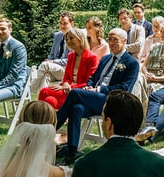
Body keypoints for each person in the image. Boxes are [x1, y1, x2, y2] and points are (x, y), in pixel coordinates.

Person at [55, 28, 140, 165]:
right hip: (94, 98)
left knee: (75, 93)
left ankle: (52, 127)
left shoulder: (132, 63)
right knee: (75, 108)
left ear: (125, 41)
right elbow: (93, 77)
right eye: (110, 39)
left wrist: (99, 89)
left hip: (113, 101)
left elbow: (125, 88)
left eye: (115, 40)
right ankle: (72, 150)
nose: (111, 43)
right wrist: (89, 86)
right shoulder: (106, 58)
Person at [37, 26, 99, 110]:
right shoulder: (71, 56)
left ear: (80, 38)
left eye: (71, 38)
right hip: (66, 89)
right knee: (50, 101)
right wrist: (65, 84)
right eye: (67, 39)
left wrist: (70, 87)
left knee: (44, 92)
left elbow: (89, 82)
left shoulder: (92, 57)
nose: (69, 41)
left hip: (80, 92)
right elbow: (66, 77)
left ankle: (37, 119)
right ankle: (50, 120)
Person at [133, 20, 164, 109]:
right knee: (136, 80)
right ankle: (133, 111)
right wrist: (146, 73)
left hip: (161, 82)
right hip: (147, 77)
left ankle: (145, 115)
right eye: (161, 31)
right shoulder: (155, 47)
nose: (162, 34)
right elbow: (144, 65)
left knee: (150, 87)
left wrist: (156, 78)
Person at [30, 12, 75, 93]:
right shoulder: (57, 36)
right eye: (60, 23)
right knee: (46, 76)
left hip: (66, 70)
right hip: (55, 69)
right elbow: (52, 54)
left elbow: (71, 60)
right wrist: (50, 60)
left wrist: (53, 61)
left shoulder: (75, 38)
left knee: (44, 65)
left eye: (65, 23)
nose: (62, 26)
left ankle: (28, 92)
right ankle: (43, 102)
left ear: (72, 23)